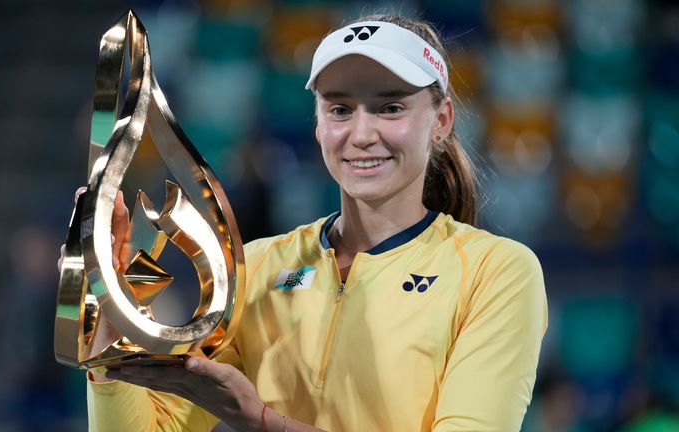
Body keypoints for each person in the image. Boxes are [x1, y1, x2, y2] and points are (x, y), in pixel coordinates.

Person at [78, 13, 548, 432]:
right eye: (340, 109)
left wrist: (258, 420)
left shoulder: (496, 273)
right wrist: (109, 312)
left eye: (391, 107)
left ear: (442, 120)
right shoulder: (258, 267)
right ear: (318, 125)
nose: (362, 135)